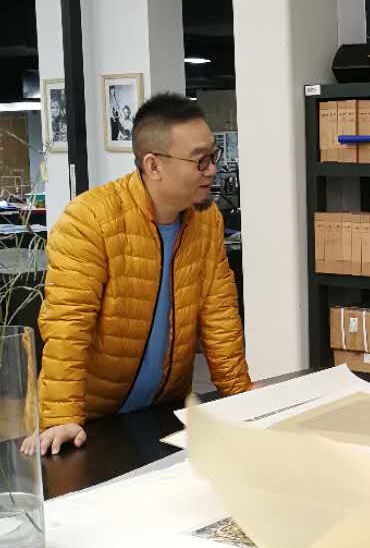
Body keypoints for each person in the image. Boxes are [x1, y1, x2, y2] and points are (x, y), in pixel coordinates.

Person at [29, 92, 251, 456]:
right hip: (93, 421)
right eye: (200, 160)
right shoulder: (90, 219)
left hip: (164, 412)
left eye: (213, 156)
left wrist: (239, 394)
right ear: (154, 165)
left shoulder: (206, 220)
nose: (212, 169)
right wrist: (61, 417)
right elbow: (68, 323)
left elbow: (219, 312)